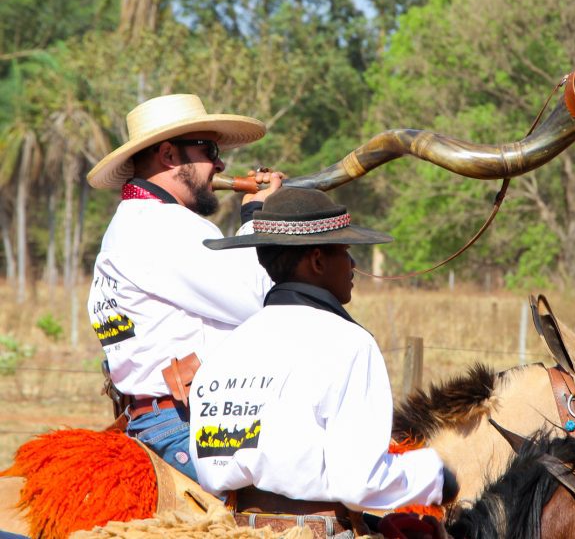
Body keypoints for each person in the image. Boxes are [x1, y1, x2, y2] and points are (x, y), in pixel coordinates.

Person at [190, 187, 457, 524]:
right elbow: (360, 482)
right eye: (345, 252)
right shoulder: (349, 343)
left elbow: (210, 468)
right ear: (317, 260)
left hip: (235, 528)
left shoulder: (224, 350)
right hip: (317, 529)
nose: (353, 265)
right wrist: (434, 477)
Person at [86, 93, 282, 480]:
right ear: (169, 156)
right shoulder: (161, 226)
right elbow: (257, 299)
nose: (221, 163)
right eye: (208, 149)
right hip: (186, 426)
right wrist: (258, 216)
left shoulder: (135, 222)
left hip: (165, 418)